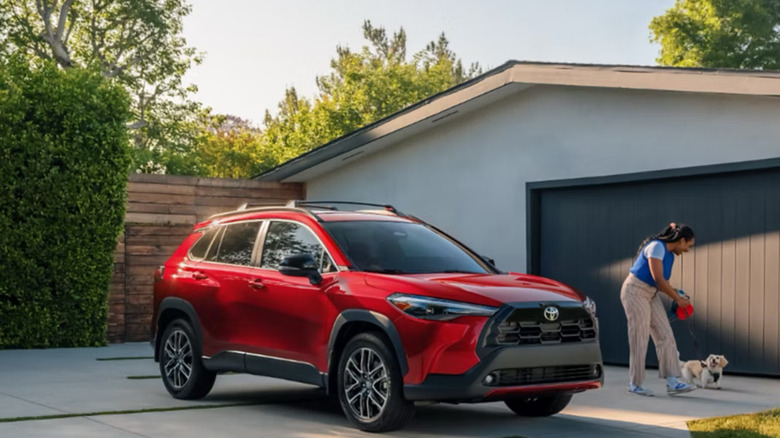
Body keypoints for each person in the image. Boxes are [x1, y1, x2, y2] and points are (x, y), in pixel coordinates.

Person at [621, 223, 696, 396]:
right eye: (688, 245)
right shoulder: (657, 247)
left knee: (665, 334)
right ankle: (635, 384)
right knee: (639, 336)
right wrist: (677, 299)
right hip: (635, 291)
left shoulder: (670, 254)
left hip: (651, 293)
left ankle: (673, 383)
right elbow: (658, 279)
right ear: (681, 240)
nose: (688, 250)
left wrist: (677, 293)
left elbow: (662, 283)